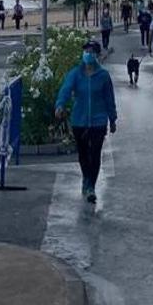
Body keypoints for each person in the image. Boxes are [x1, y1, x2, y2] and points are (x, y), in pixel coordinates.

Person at [55, 40, 117, 204]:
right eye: (86, 51)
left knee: (95, 154)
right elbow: (66, 90)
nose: (88, 54)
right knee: (83, 154)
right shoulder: (75, 73)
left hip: (98, 121)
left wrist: (113, 118)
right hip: (79, 120)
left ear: (97, 55)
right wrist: (60, 105)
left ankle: (91, 187)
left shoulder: (103, 76)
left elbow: (109, 98)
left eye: (91, 51)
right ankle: (86, 178)